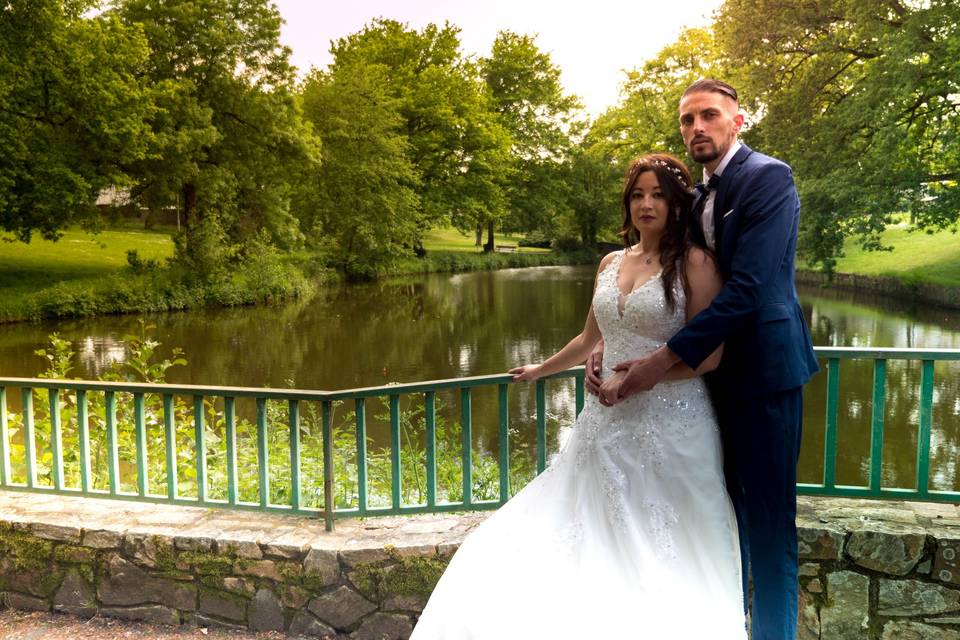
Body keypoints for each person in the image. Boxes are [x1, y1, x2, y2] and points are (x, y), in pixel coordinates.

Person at [410, 153, 746, 640]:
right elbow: (590, 338)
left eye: (658, 195)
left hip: (673, 427)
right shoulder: (611, 262)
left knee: (661, 548)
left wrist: (640, 379)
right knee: (587, 539)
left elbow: (710, 357)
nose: (646, 204)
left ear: (677, 203)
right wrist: (542, 369)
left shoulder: (697, 264)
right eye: (637, 194)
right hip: (603, 426)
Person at [587, 80, 819, 640]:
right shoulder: (696, 195)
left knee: (768, 534)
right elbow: (669, 287)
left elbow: (751, 290)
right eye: (687, 119)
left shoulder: (767, 178)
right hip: (702, 388)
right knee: (716, 524)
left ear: (738, 121)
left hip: (762, 380)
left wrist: (660, 361)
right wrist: (609, 337)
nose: (696, 128)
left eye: (709, 116)